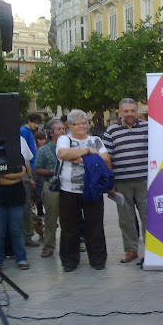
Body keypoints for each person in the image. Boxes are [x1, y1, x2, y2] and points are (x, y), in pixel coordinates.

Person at [56, 109, 109, 272]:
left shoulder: (95, 140)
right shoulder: (65, 139)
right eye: (77, 124)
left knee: (95, 225)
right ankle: (69, 261)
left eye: (84, 123)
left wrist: (78, 158)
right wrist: (88, 152)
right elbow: (63, 153)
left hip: (93, 189)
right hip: (69, 190)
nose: (81, 126)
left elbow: (105, 157)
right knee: (69, 227)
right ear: (70, 126)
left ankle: (98, 259)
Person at [103, 98, 148, 264]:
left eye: (133, 111)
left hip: (145, 181)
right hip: (121, 182)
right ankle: (131, 250)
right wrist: (110, 182)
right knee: (126, 218)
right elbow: (107, 157)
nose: (130, 114)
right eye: (126, 111)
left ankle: (152, 250)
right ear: (120, 112)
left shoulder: (148, 128)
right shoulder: (111, 131)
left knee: (148, 216)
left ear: (137, 111)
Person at [0, 162, 30, 270]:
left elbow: (21, 174)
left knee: (17, 231)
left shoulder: (16, 156)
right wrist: (13, 177)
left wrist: (1, 175)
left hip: (16, 199)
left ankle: (21, 258)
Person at [33, 119, 66, 258]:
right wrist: (51, 172)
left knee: (69, 218)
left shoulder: (69, 147)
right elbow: (37, 169)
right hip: (52, 186)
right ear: (51, 133)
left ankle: (71, 244)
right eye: (59, 129)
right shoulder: (44, 150)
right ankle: (48, 247)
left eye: (63, 129)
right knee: (51, 219)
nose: (63, 131)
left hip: (68, 185)